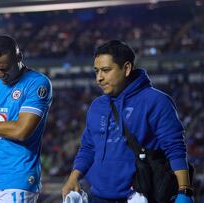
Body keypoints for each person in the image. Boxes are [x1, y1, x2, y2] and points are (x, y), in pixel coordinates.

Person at [62, 40, 194, 203]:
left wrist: (184, 190)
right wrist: (73, 178)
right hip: (97, 197)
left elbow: (174, 147)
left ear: (126, 68)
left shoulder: (156, 101)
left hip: (139, 197)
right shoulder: (97, 105)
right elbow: (88, 147)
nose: (99, 78)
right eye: (96, 71)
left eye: (106, 70)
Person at [0, 35, 52, 203]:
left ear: (19, 57)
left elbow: (22, 131)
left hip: (19, 179)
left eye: (4, 68)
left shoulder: (37, 84)